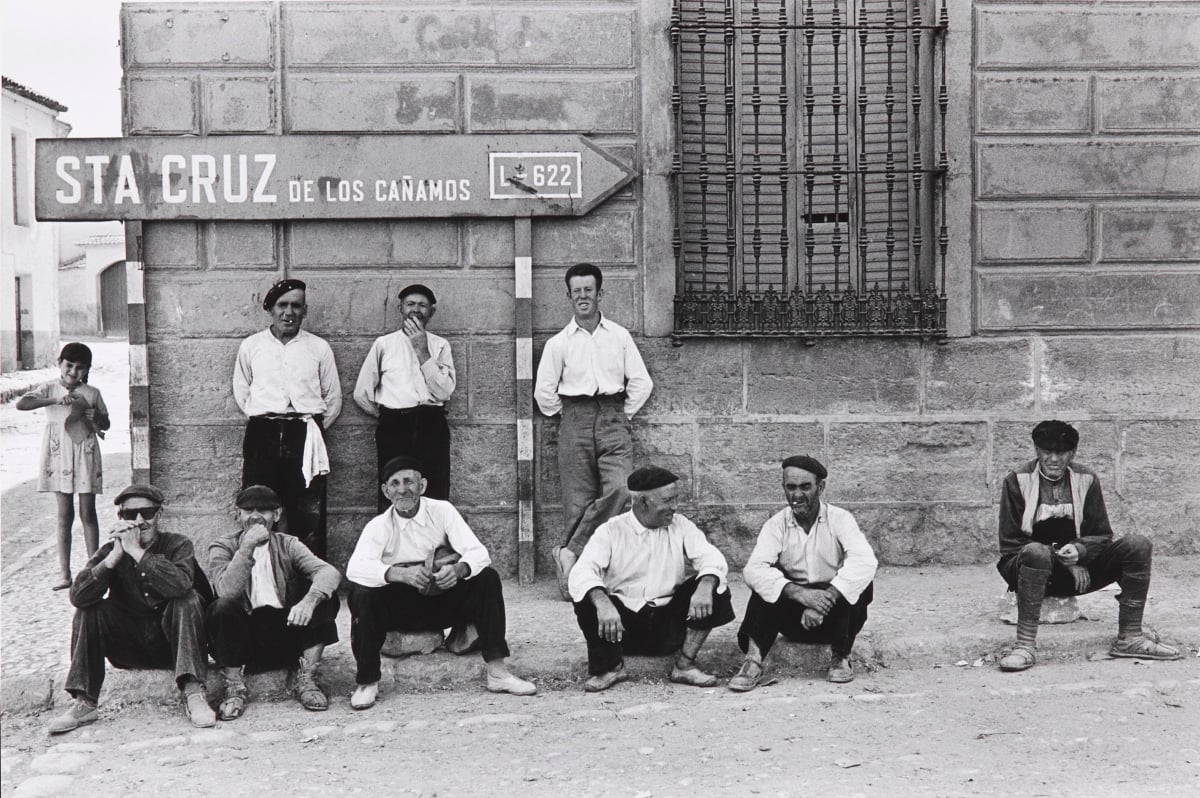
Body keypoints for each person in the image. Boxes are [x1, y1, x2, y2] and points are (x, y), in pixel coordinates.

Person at [345, 456, 536, 708]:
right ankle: (367, 682)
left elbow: (479, 553)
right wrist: (399, 574)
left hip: (441, 600)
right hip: (399, 608)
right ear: (386, 491)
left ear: (422, 485)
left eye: (409, 482)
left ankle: (498, 673)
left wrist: (458, 570)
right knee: (362, 594)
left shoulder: (442, 511)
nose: (402, 489)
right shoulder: (378, 526)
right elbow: (355, 568)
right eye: (395, 484)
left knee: (487, 578)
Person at [996, 420, 1182, 672]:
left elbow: (1102, 535)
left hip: (1078, 573)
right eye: (1047, 452)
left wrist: (1081, 552)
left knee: (1138, 545)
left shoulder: (1087, 479)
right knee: (1035, 552)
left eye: (1061, 453)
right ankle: (1024, 647)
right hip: (1028, 570)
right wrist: (1061, 559)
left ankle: (1130, 637)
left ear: (1073, 453)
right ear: (1037, 450)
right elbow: (1010, 544)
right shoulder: (1016, 480)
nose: (1053, 459)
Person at [48, 483, 215, 734]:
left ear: (159, 514)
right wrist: (114, 557)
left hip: (172, 647)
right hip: (128, 647)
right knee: (88, 608)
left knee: (187, 599)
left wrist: (137, 552)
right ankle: (85, 702)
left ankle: (194, 693)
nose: (139, 521)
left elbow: (180, 585)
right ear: (120, 517)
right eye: (130, 515)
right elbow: (78, 596)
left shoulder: (178, 545)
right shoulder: (111, 551)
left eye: (147, 513)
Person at [534, 263, 653, 599]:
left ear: (600, 293)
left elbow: (642, 382)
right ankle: (578, 578)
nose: (583, 296)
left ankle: (569, 552)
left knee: (621, 489)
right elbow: (544, 393)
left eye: (589, 290)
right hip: (575, 418)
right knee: (578, 502)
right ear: (569, 296)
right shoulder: (559, 343)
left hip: (614, 416)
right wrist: (571, 416)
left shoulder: (619, 336)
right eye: (577, 291)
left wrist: (620, 415)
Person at [567, 465, 734, 692]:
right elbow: (582, 571)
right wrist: (603, 602)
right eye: (668, 500)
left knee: (715, 584)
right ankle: (611, 667)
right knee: (587, 595)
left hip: (669, 627)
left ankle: (685, 665)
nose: (675, 506)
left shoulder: (681, 525)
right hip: (621, 629)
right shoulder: (611, 530)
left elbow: (711, 558)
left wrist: (705, 585)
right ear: (643, 502)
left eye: (675, 499)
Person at [731, 455, 877, 691]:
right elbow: (753, 569)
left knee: (861, 583)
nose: (797, 495)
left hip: (836, 618)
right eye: (791, 487)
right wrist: (800, 594)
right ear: (783, 488)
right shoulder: (776, 524)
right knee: (765, 583)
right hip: (793, 617)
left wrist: (824, 600)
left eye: (805, 487)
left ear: (820, 487)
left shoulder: (840, 519)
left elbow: (866, 561)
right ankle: (753, 662)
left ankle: (841, 657)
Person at [205, 485, 342, 719]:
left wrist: (308, 602)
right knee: (221, 608)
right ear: (238, 515)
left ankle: (307, 679)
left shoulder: (288, 544)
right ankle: (235, 687)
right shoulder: (222, 546)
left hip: (286, 633)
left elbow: (329, 573)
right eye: (248, 510)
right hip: (243, 642)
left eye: (264, 510)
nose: (255, 516)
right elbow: (226, 591)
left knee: (324, 596)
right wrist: (247, 547)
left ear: (276, 515)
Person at [233, 278, 342, 558]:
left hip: (305, 434)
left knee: (308, 513)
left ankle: (309, 579)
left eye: (296, 306)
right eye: (282, 305)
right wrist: (267, 418)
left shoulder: (318, 348)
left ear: (305, 310)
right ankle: (261, 576)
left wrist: (310, 429)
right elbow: (242, 392)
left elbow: (333, 398)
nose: (289, 312)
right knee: (259, 506)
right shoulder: (252, 346)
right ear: (271, 309)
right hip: (262, 435)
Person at [17, 342, 111, 590]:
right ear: (59, 363)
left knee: (88, 512)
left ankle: (92, 570)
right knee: (64, 514)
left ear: (87, 369)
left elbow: (106, 423)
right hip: (59, 455)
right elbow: (22, 404)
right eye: (69, 365)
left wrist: (97, 417)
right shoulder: (48, 388)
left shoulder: (92, 393)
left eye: (80, 368)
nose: (73, 372)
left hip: (85, 453)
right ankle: (64, 573)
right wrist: (54, 400)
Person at [353, 283, 455, 503]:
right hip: (394, 425)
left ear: (431, 312)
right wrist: (386, 415)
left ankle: (432, 528)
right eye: (410, 304)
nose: (415, 310)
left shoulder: (440, 345)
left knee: (434, 489)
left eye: (422, 305)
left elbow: (444, 391)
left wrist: (422, 350)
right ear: (400, 308)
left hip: (431, 424)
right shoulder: (384, 344)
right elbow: (362, 393)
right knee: (394, 487)